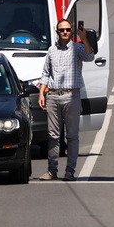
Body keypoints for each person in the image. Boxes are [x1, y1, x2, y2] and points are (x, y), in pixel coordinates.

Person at [38, 19, 95, 181]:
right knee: (53, 136)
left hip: (72, 96)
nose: (65, 32)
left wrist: (84, 38)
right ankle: (52, 170)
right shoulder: (51, 51)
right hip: (53, 96)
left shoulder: (77, 48)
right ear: (57, 32)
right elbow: (45, 74)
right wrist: (42, 93)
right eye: (62, 30)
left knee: (72, 136)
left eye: (68, 30)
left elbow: (90, 56)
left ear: (71, 31)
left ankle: (70, 171)